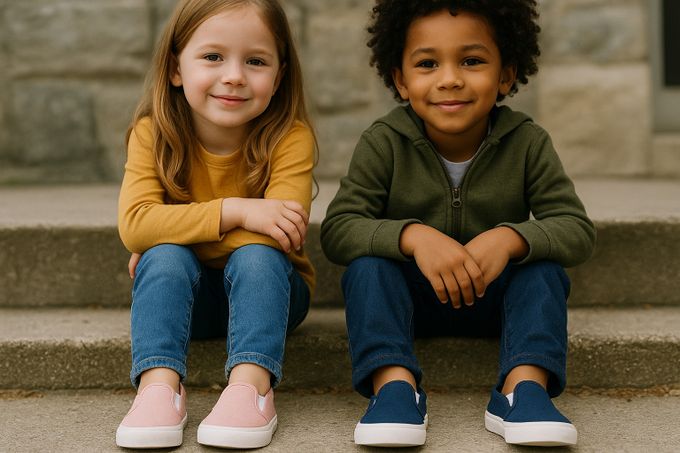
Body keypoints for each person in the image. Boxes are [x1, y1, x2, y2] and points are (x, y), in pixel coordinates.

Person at [321, 0, 596, 448]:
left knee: (544, 271)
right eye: (427, 63)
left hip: (495, 299)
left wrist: (511, 239)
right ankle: (393, 387)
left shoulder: (527, 142)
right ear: (401, 80)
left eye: (471, 61)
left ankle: (522, 389)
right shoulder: (383, 142)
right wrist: (412, 236)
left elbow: (575, 229)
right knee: (366, 270)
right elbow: (338, 229)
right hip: (412, 301)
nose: (450, 78)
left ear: (506, 74)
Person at [115, 0, 315, 449]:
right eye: (212, 57)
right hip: (188, 300)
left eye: (256, 61)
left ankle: (251, 388)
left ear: (279, 76)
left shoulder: (291, 137)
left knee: (256, 255)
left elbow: (280, 234)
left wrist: (168, 228)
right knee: (166, 258)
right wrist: (240, 211)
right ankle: (159, 387)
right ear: (175, 68)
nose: (235, 75)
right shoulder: (153, 132)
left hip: (274, 295)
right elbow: (134, 226)